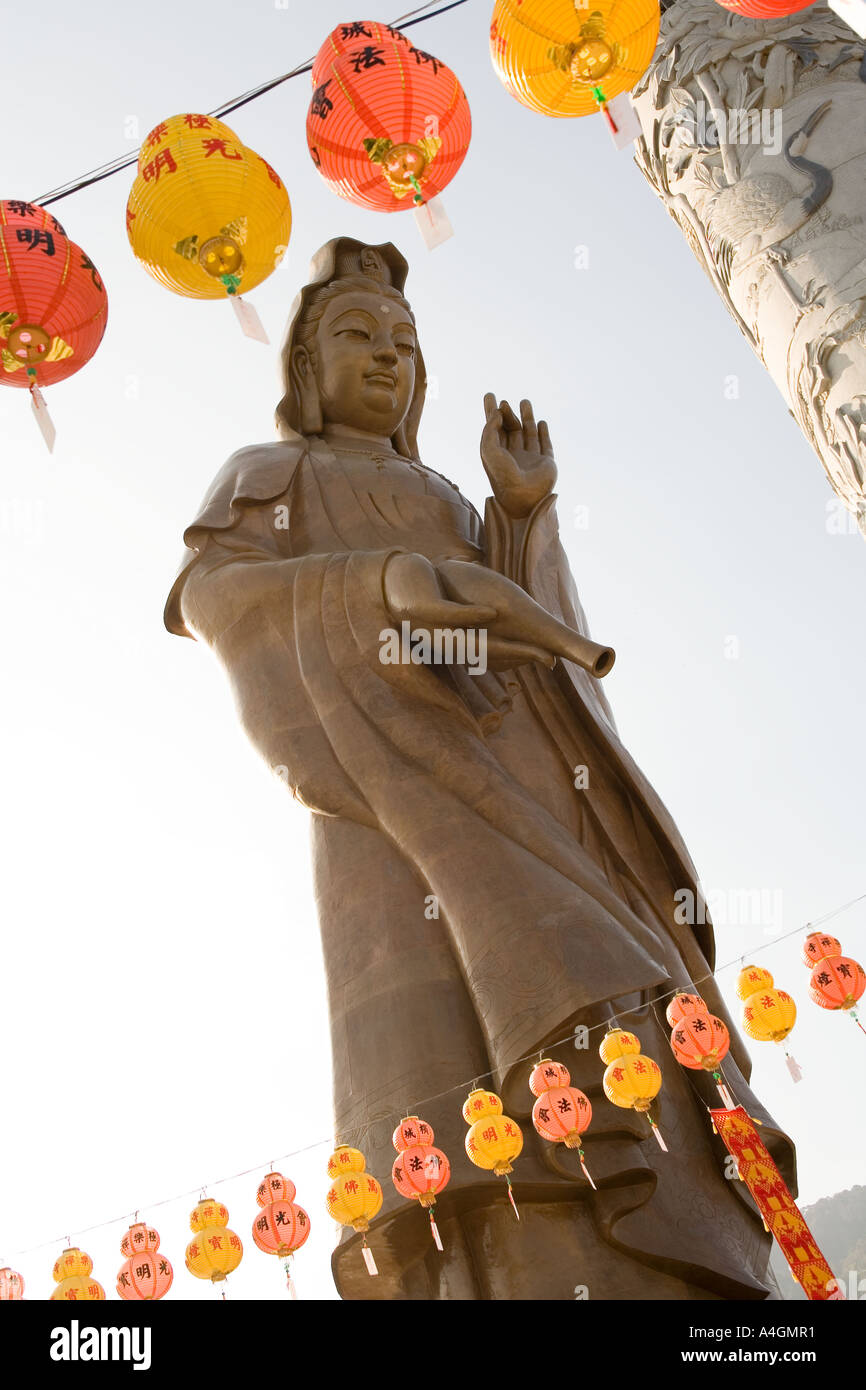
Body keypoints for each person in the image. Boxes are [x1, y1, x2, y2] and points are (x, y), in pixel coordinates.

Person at [165, 237, 793, 1299]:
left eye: (404, 345)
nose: (385, 358)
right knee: (461, 1050)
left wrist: (517, 515)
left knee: (621, 989)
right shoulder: (274, 476)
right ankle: (518, 1245)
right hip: (398, 790)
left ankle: (681, 1224)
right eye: (355, 337)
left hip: (538, 770)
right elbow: (216, 601)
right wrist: (376, 586)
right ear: (305, 370)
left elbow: (537, 636)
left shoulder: (450, 493)